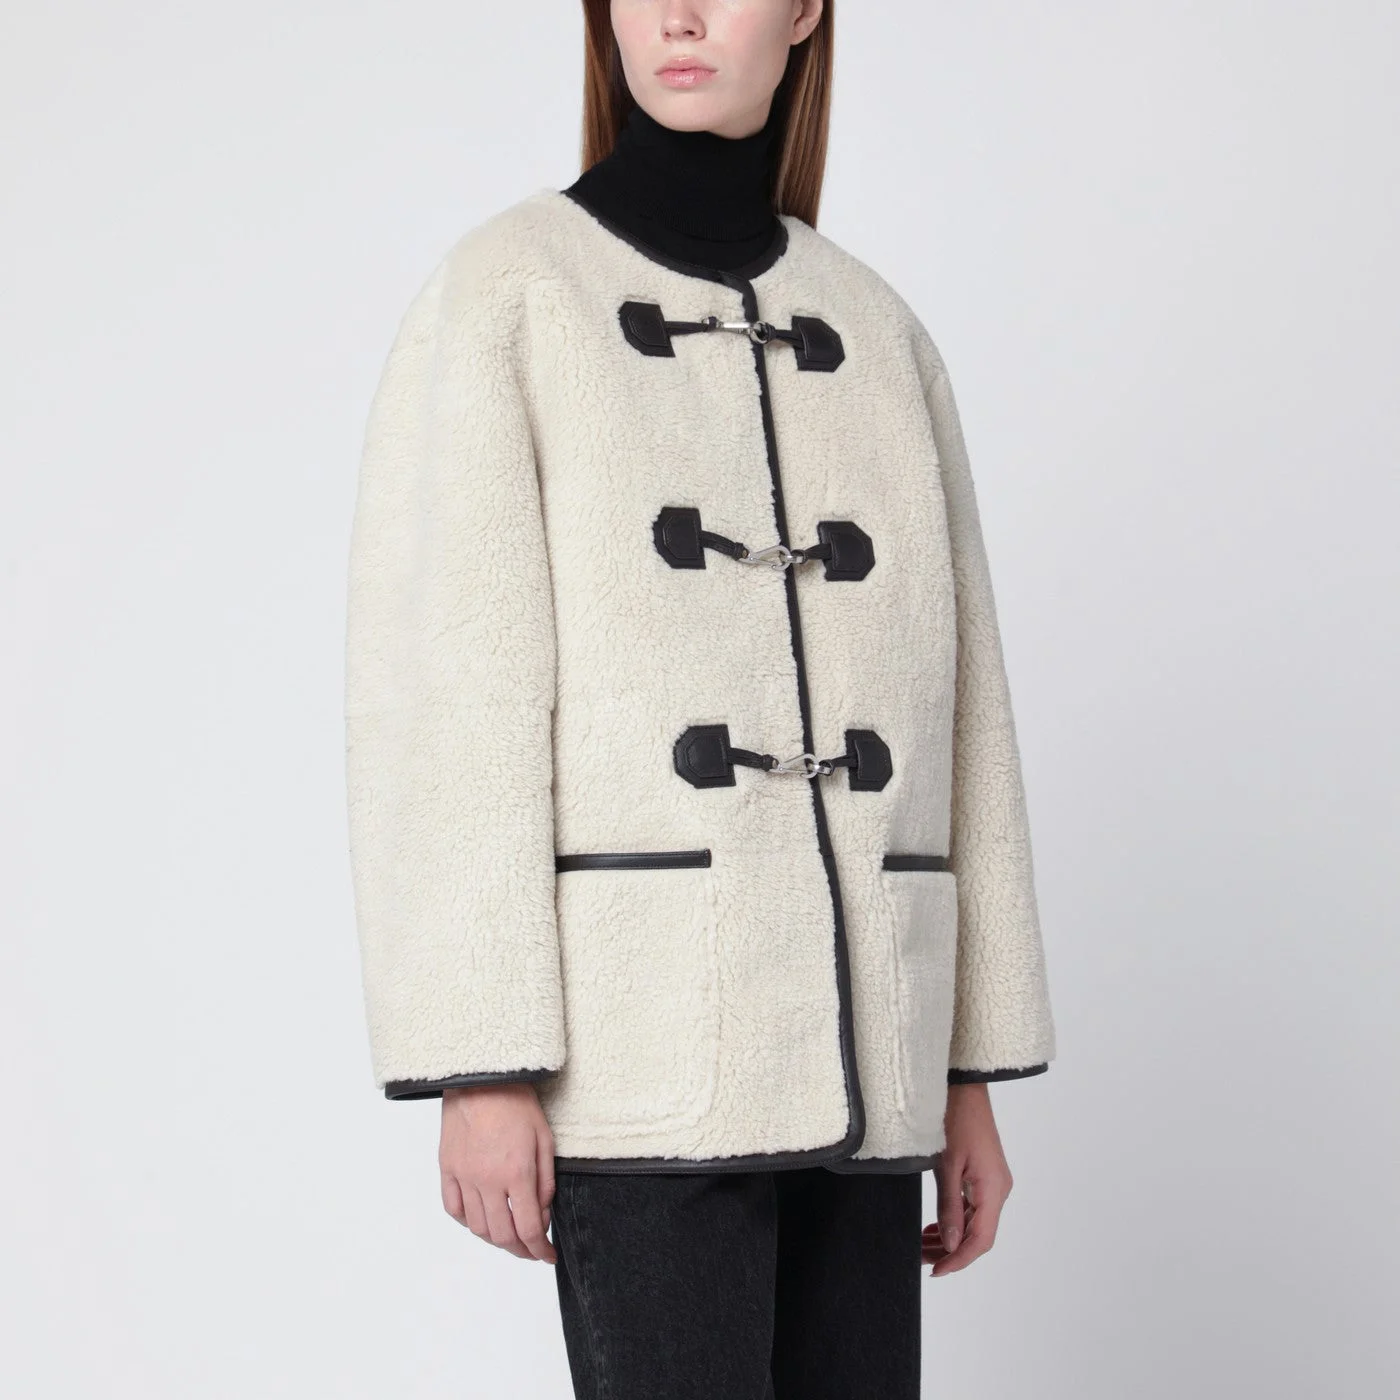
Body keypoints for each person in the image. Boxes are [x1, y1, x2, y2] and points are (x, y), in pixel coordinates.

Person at [344, 2, 1057, 1394]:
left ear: (803, 12)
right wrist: (480, 1061)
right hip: (640, 1039)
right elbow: (448, 697)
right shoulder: (509, 294)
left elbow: (966, 718)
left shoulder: (876, 328)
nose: (677, 15)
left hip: (874, 1048)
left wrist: (966, 1070)